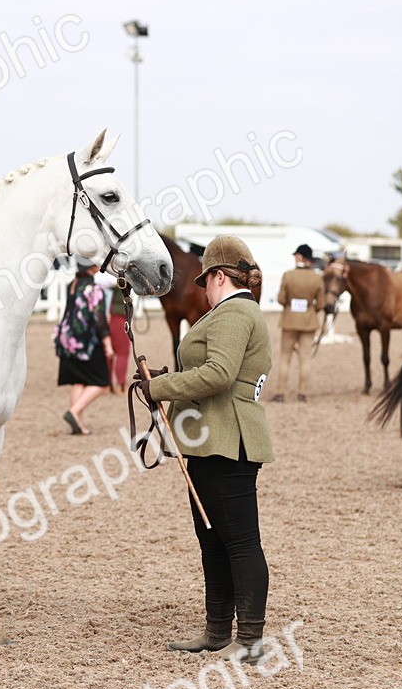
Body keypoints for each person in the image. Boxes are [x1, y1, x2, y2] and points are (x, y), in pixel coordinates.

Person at [135, 235, 274, 662]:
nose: (203, 290)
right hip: (211, 438)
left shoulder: (233, 313)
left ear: (217, 276)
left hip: (226, 440)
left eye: (204, 282)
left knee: (240, 542)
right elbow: (209, 370)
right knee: (213, 539)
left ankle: (250, 640)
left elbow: (218, 374)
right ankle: (218, 632)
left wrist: (160, 385)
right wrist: (167, 378)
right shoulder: (231, 312)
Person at [56, 258, 115, 435]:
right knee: (102, 382)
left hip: (68, 339)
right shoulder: (94, 288)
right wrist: (108, 343)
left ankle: (78, 423)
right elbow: (99, 318)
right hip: (87, 341)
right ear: (94, 267)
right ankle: (74, 411)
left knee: (78, 380)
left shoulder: (72, 284)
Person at [271, 244, 324, 402]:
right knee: (305, 359)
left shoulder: (288, 275)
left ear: (301, 257)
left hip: (289, 320)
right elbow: (320, 304)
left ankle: (280, 392)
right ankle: (302, 393)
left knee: (285, 357)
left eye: (296, 255)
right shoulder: (317, 277)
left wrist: (290, 304)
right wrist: (309, 307)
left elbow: (281, 299)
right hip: (308, 321)